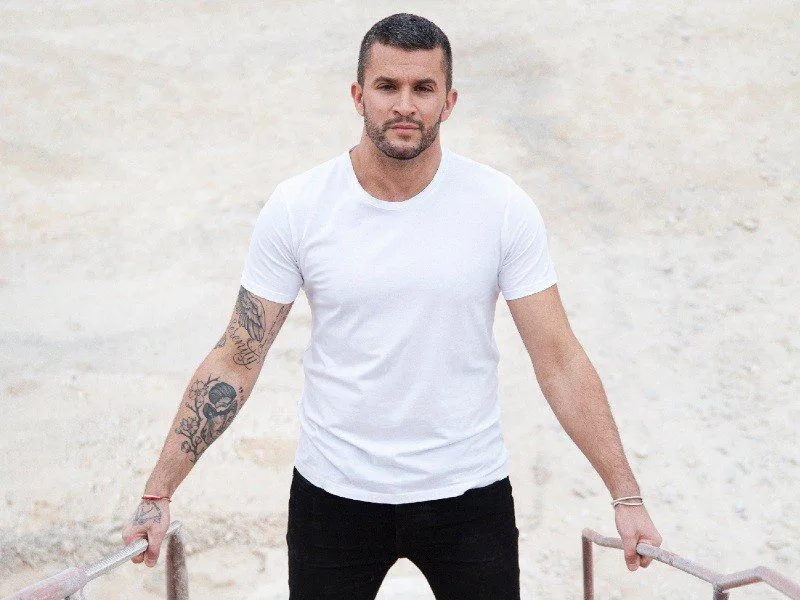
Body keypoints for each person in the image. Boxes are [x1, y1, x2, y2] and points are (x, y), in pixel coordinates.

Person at [122, 12, 662, 599]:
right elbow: (237, 357)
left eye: (423, 88)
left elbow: (558, 357)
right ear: (359, 96)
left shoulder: (500, 207)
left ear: (448, 102)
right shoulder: (299, 207)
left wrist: (626, 495)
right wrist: (158, 491)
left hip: (467, 493)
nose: (405, 105)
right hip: (334, 496)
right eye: (387, 86)